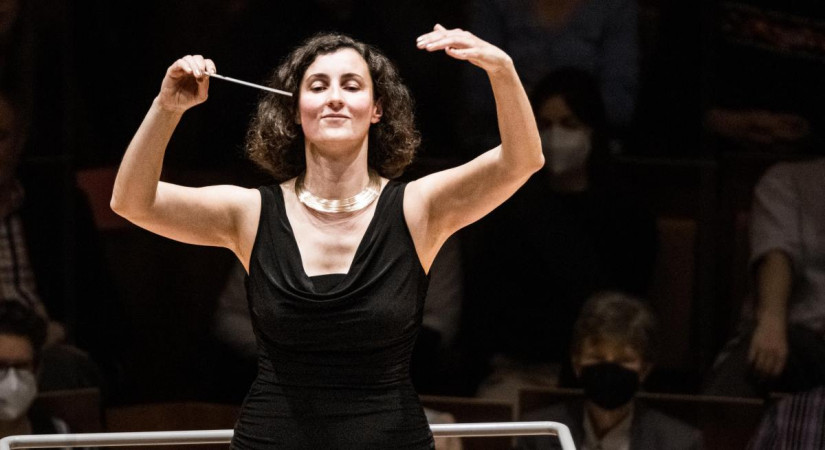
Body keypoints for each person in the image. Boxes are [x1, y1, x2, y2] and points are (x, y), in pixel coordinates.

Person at [110, 26, 543, 448]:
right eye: (318, 86)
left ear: (377, 109)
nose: (335, 97)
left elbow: (522, 160)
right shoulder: (250, 213)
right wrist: (166, 109)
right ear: (295, 110)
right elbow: (131, 202)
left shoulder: (418, 208)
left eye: (351, 86)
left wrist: (501, 69)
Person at [464, 68, 656, 401]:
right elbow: (486, 306)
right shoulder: (508, 207)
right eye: (544, 125)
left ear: (593, 130)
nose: (555, 136)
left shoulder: (627, 213)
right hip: (522, 370)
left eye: (569, 124)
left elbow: (630, 302)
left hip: (603, 368)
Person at [704, 157, 825, 397]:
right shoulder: (788, 179)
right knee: (758, 356)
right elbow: (776, 252)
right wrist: (771, 318)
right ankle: (711, 421)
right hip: (800, 333)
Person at [518, 292, 702, 450]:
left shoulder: (679, 444)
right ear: (577, 364)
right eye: (598, 358)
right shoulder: (537, 435)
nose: (609, 369)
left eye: (623, 360)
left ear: (644, 370)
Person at [0, 300, 70, 438]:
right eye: (0, 366)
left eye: (21, 366)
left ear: (37, 370)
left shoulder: (58, 435)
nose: (13, 383)